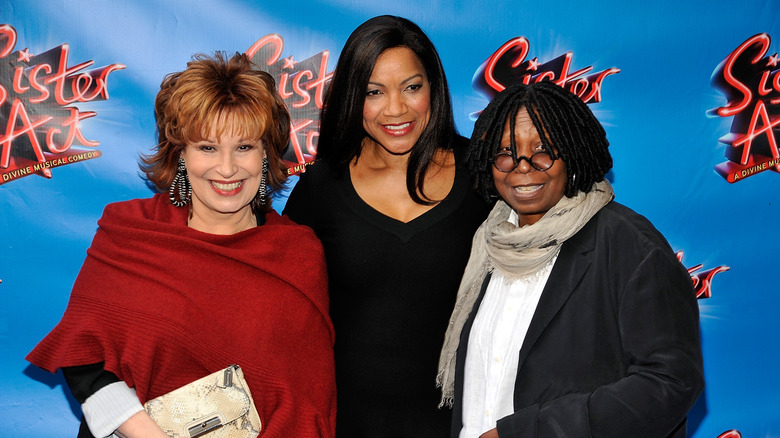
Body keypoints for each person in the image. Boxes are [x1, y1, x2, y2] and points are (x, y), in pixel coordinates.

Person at [27, 52, 336, 438]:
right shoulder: (131, 233)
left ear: (266, 153)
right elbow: (86, 362)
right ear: (181, 154)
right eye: (207, 147)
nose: (227, 168)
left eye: (244, 147)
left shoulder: (297, 254)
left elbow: (306, 398)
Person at [437, 81, 704, 438]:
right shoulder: (487, 243)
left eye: (543, 150)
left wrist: (528, 432)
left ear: (572, 153)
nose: (522, 167)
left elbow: (670, 382)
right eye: (505, 152)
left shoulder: (630, 246)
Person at [283, 15, 490, 437]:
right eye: (373, 92)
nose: (395, 109)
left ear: (433, 86)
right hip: (347, 424)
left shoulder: (485, 174)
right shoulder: (322, 186)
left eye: (411, 87)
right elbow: (276, 302)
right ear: (350, 99)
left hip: (467, 424)